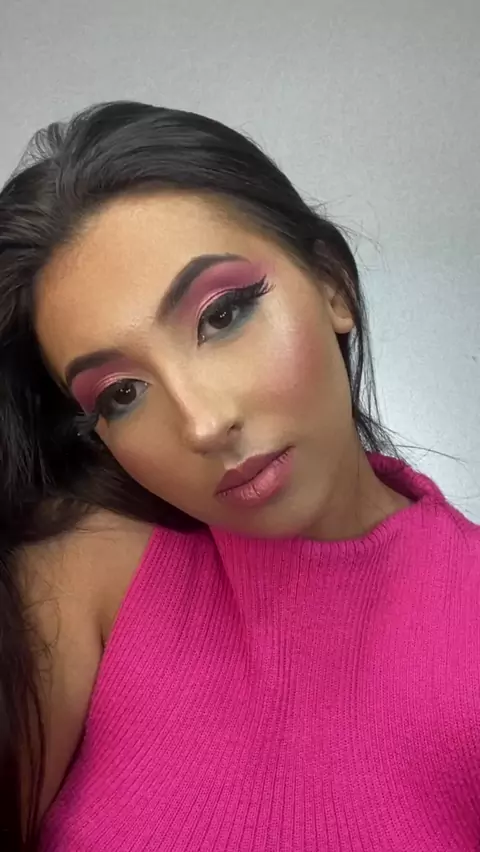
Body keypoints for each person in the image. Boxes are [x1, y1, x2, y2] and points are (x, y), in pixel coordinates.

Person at [0, 100, 478, 852]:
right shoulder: (87, 569)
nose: (201, 424)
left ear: (333, 287)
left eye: (222, 316)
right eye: (121, 394)